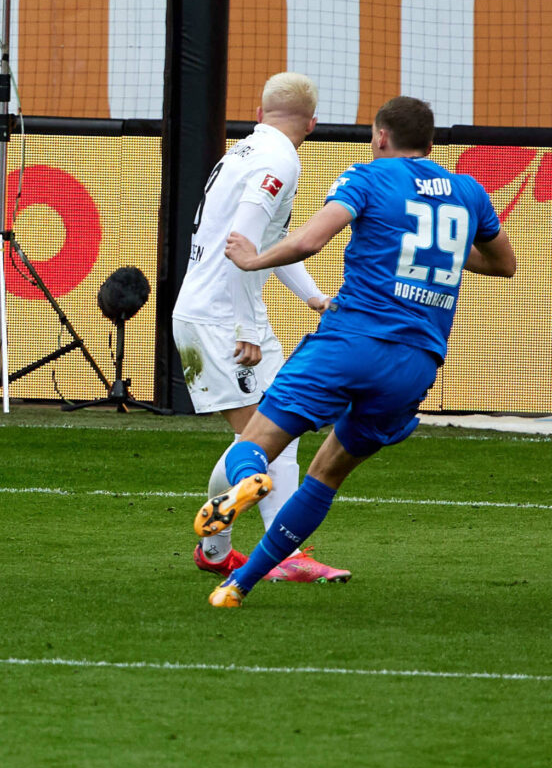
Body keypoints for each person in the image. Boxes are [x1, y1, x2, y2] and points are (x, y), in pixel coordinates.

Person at [199, 96, 516, 607]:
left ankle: (249, 482)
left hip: (350, 341)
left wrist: (255, 260)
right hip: (416, 362)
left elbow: (308, 242)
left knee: (254, 445)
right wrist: (446, 254)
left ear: (381, 137)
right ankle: (238, 584)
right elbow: (505, 265)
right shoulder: (469, 192)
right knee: (325, 475)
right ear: (431, 145)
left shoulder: (366, 177)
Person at [170, 72, 347, 584]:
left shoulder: (245, 151)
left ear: (259, 111)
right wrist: (245, 327)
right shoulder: (279, 159)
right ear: (312, 124)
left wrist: (312, 297)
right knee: (269, 439)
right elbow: (241, 241)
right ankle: (287, 557)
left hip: (218, 312)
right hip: (223, 319)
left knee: (268, 438)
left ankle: (215, 548)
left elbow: (271, 238)